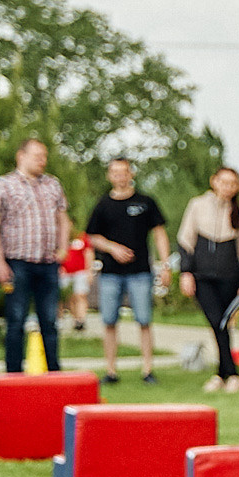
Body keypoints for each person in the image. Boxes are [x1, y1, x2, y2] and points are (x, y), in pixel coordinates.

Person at [84, 158, 171, 385]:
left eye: (124, 172)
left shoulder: (145, 202)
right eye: (115, 172)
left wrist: (165, 264)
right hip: (111, 273)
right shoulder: (103, 204)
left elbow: (160, 233)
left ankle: (148, 370)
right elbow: (92, 236)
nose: (120, 176)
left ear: (131, 174)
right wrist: (112, 248)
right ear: (109, 176)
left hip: (140, 272)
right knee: (109, 321)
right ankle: (111, 371)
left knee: (144, 320)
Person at [0, 137, 71, 373]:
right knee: (15, 321)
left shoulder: (53, 184)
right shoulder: (2, 185)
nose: (42, 161)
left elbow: (63, 218)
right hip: (17, 263)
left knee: (50, 321)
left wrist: (63, 247)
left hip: (47, 263)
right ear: (21, 156)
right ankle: (13, 373)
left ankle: (54, 372)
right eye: (37, 156)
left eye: (44, 157)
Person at [177, 166, 239, 393]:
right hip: (203, 277)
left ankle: (221, 374)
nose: (227, 187)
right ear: (214, 181)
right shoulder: (197, 205)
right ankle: (232, 372)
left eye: (232, 183)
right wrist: (186, 272)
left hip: (229, 277)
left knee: (224, 323)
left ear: (237, 187)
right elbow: (185, 240)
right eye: (223, 182)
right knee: (216, 321)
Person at [60, 234, 93, 333]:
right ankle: (62, 319)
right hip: (64, 271)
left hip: (80, 271)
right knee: (64, 297)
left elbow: (88, 252)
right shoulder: (61, 235)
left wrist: (89, 270)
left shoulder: (82, 237)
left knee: (80, 295)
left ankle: (80, 320)